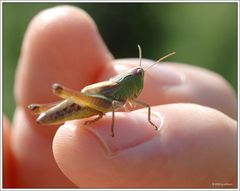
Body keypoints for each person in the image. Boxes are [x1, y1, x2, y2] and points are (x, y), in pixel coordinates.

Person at [3, 5, 237, 188]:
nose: (141, 77)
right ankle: (45, 108)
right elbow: (111, 104)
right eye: (140, 73)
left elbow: (123, 105)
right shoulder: (120, 85)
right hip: (88, 102)